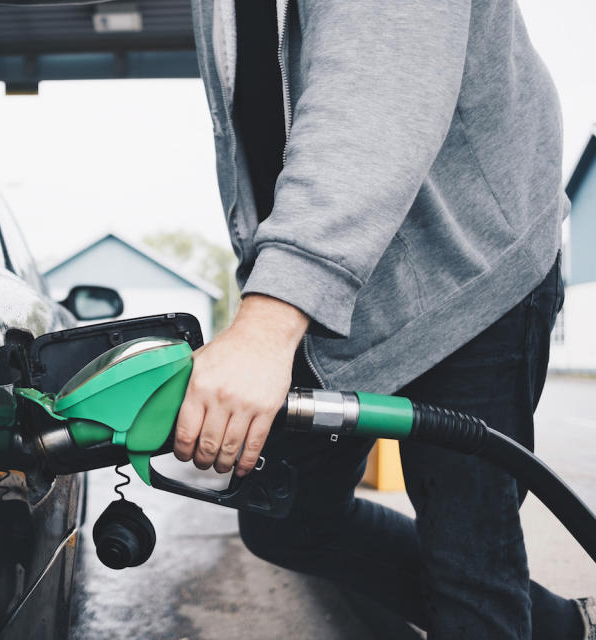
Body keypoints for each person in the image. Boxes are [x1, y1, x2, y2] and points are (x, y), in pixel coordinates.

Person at [174, 1, 594, 638]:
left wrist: (268, 322)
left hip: (469, 273)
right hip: (339, 289)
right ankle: (558, 629)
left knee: (470, 568)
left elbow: (375, 102)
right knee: (283, 518)